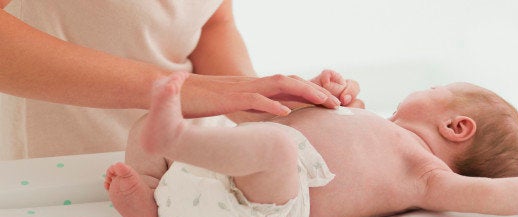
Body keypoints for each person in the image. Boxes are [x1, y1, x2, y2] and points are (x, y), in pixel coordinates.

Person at [104, 71, 518, 217]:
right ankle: (150, 206)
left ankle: (172, 140)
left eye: (435, 89)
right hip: (216, 184)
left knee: (274, 147)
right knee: (147, 133)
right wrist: (326, 96)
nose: (421, 88)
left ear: (456, 127)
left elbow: (494, 197)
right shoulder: (377, 126)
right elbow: (314, 123)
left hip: (265, 210)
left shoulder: (426, 175)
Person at [0, 0, 359, 160]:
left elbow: (211, 22)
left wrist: (260, 104)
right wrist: (175, 92)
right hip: (61, 176)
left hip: (194, 166)